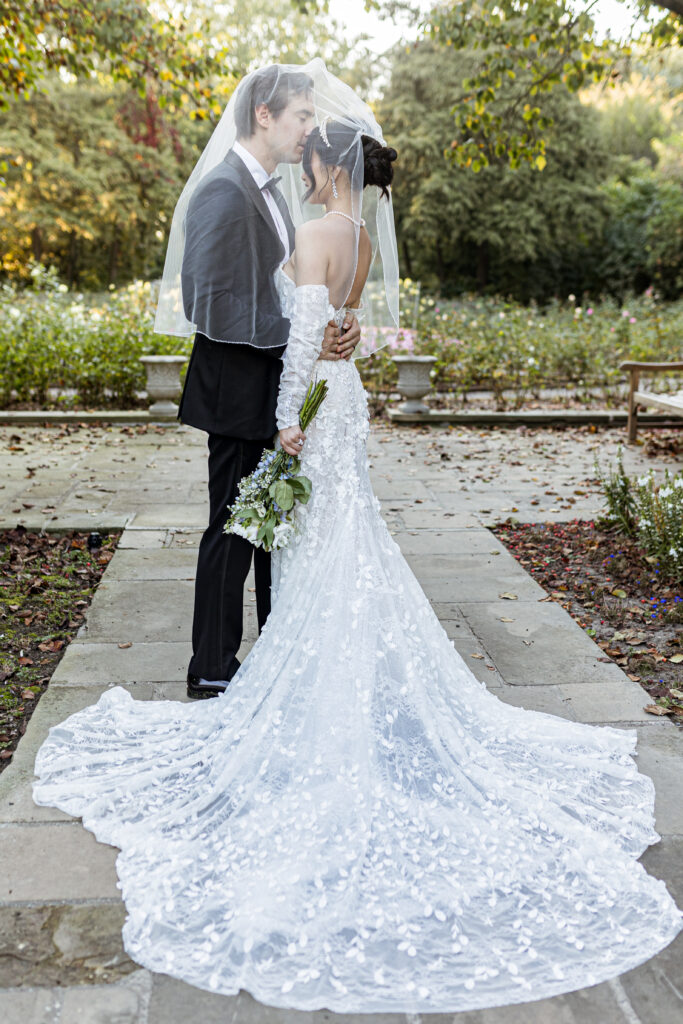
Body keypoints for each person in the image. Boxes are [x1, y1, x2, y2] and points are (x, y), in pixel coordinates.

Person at [33, 62, 681, 1015]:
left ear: (323, 159)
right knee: (290, 542)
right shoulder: (259, 202)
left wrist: (298, 394)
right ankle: (243, 670)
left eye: (309, 131)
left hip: (302, 408)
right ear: (273, 117)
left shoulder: (308, 222)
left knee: (292, 543)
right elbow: (238, 311)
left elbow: (302, 330)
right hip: (313, 405)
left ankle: (275, 683)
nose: (302, 138)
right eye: (294, 118)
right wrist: (337, 340)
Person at [163, 65, 362, 699]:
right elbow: (206, 301)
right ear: (265, 115)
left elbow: (281, 286)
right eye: (302, 115)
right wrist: (297, 333)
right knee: (232, 526)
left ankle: (277, 654)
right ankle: (213, 667)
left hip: (274, 383)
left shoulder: (272, 192)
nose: (310, 128)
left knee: (273, 526)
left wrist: (330, 325)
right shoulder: (224, 189)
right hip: (236, 387)